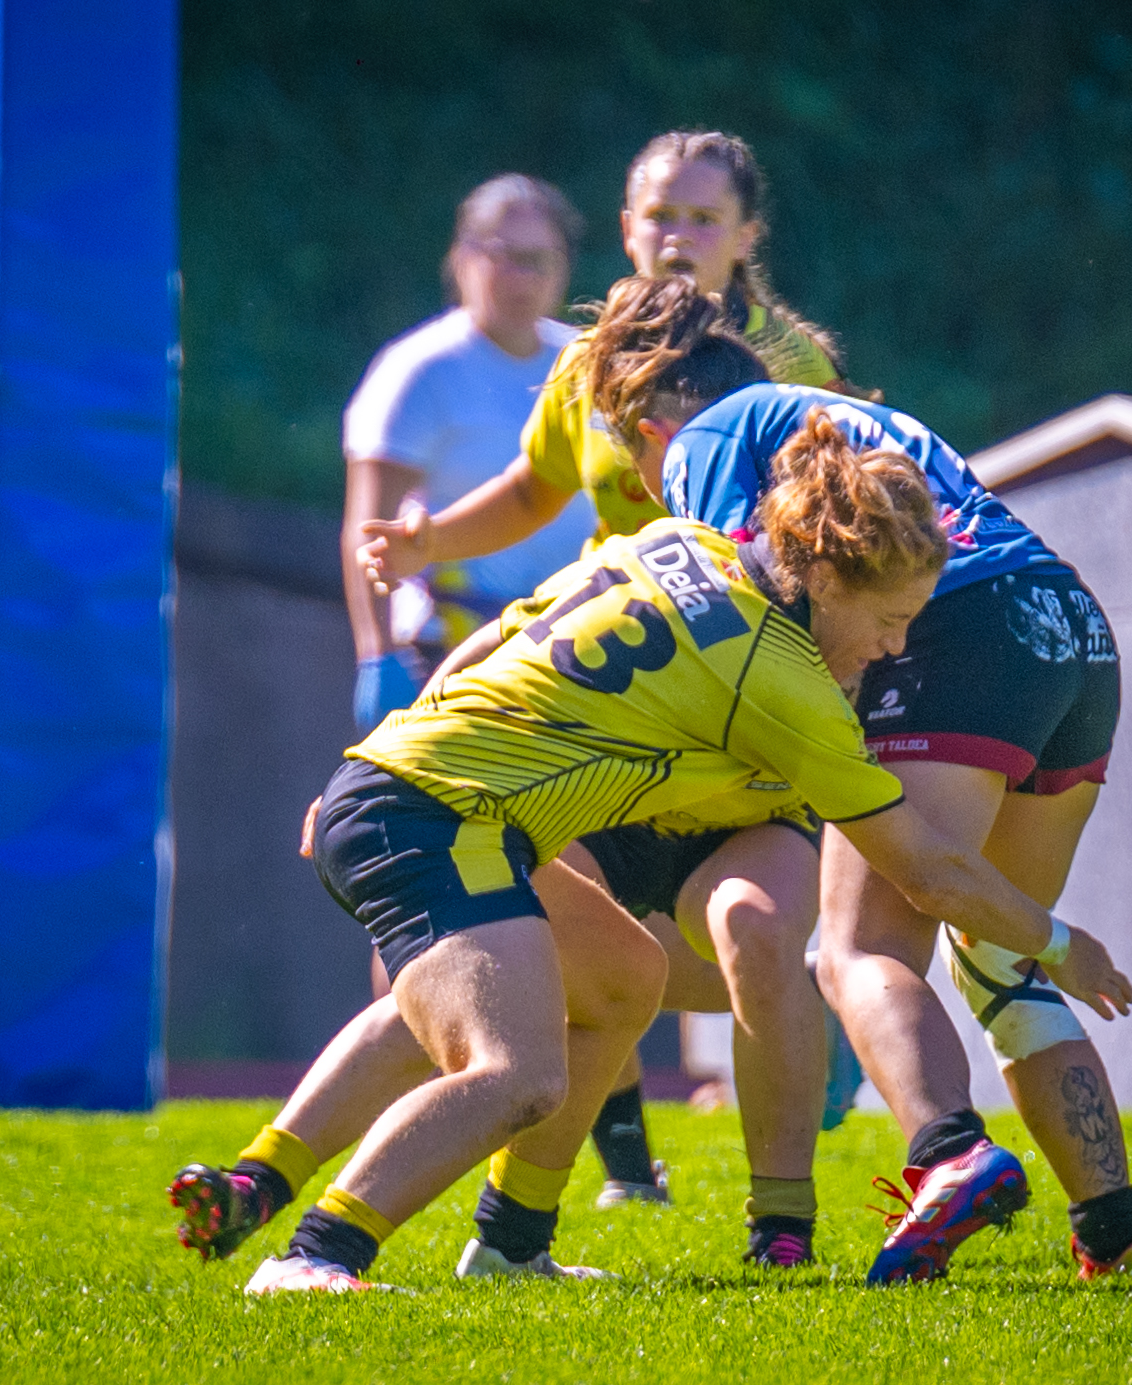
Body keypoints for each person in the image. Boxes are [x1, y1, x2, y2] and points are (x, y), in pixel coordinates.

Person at [184, 338, 1132, 1295]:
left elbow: (495, 636)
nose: (894, 652)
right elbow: (924, 870)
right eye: (892, 623)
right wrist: (1058, 943)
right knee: (518, 1073)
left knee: (622, 977)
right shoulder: (781, 679)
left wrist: (367, 758)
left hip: (408, 784)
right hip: (438, 817)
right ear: (832, 575)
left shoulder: (670, 542)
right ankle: (315, 1255)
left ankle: (509, 1244)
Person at [358, 130, 858, 1225]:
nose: (676, 237)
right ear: (624, 229)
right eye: (656, 216)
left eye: (701, 218)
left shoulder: (789, 366)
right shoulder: (591, 354)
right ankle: (557, 1200)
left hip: (741, 711)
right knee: (557, 911)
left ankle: (785, 1195)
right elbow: (534, 487)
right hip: (611, 693)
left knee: (752, 933)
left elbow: (849, 538)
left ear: (746, 236)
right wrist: (427, 542)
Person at [658, 378, 1132, 1284]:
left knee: (858, 949)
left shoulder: (697, 439)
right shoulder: (834, 412)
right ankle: (1115, 1234)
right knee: (996, 951)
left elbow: (755, 604)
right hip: (1068, 620)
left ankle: (949, 1154)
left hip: (961, 624)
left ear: (647, 421)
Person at [341, 173, 595, 737]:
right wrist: (377, 656)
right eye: (504, 256)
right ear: (462, 258)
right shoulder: (420, 370)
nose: (522, 278)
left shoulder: (583, 364)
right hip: (447, 653)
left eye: (540, 259)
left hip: (569, 652)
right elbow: (367, 527)